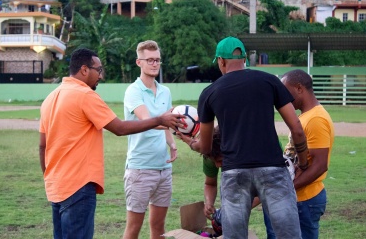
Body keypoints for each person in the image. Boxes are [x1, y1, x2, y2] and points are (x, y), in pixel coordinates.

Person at [39, 48, 185, 239]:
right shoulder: (85, 95)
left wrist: (49, 177)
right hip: (78, 186)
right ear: (84, 70)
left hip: (56, 186)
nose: (101, 76)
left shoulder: (50, 98)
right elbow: (120, 128)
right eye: (98, 70)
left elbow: (42, 145)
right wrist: (159, 120)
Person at [178, 36, 309, 238]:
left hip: (234, 173)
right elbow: (297, 129)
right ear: (245, 58)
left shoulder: (210, 92)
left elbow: (205, 147)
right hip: (273, 169)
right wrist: (302, 161)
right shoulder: (270, 81)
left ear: (221, 61)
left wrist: (192, 144)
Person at [122, 40, 177, 239]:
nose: (154, 64)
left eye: (158, 60)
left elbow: (165, 123)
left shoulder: (165, 91)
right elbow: (148, 121)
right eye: (150, 60)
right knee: (134, 228)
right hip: (140, 168)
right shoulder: (133, 91)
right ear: (139, 62)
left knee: (158, 228)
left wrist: (171, 143)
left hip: (163, 168)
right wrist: (173, 122)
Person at [281, 69, 335, 238]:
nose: (284, 97)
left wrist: (290, 188)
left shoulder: (315, 119)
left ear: (299, 88)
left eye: (286, 91)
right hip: (300, 198)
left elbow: (320, 165)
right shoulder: (306, 116)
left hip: (306, 199)